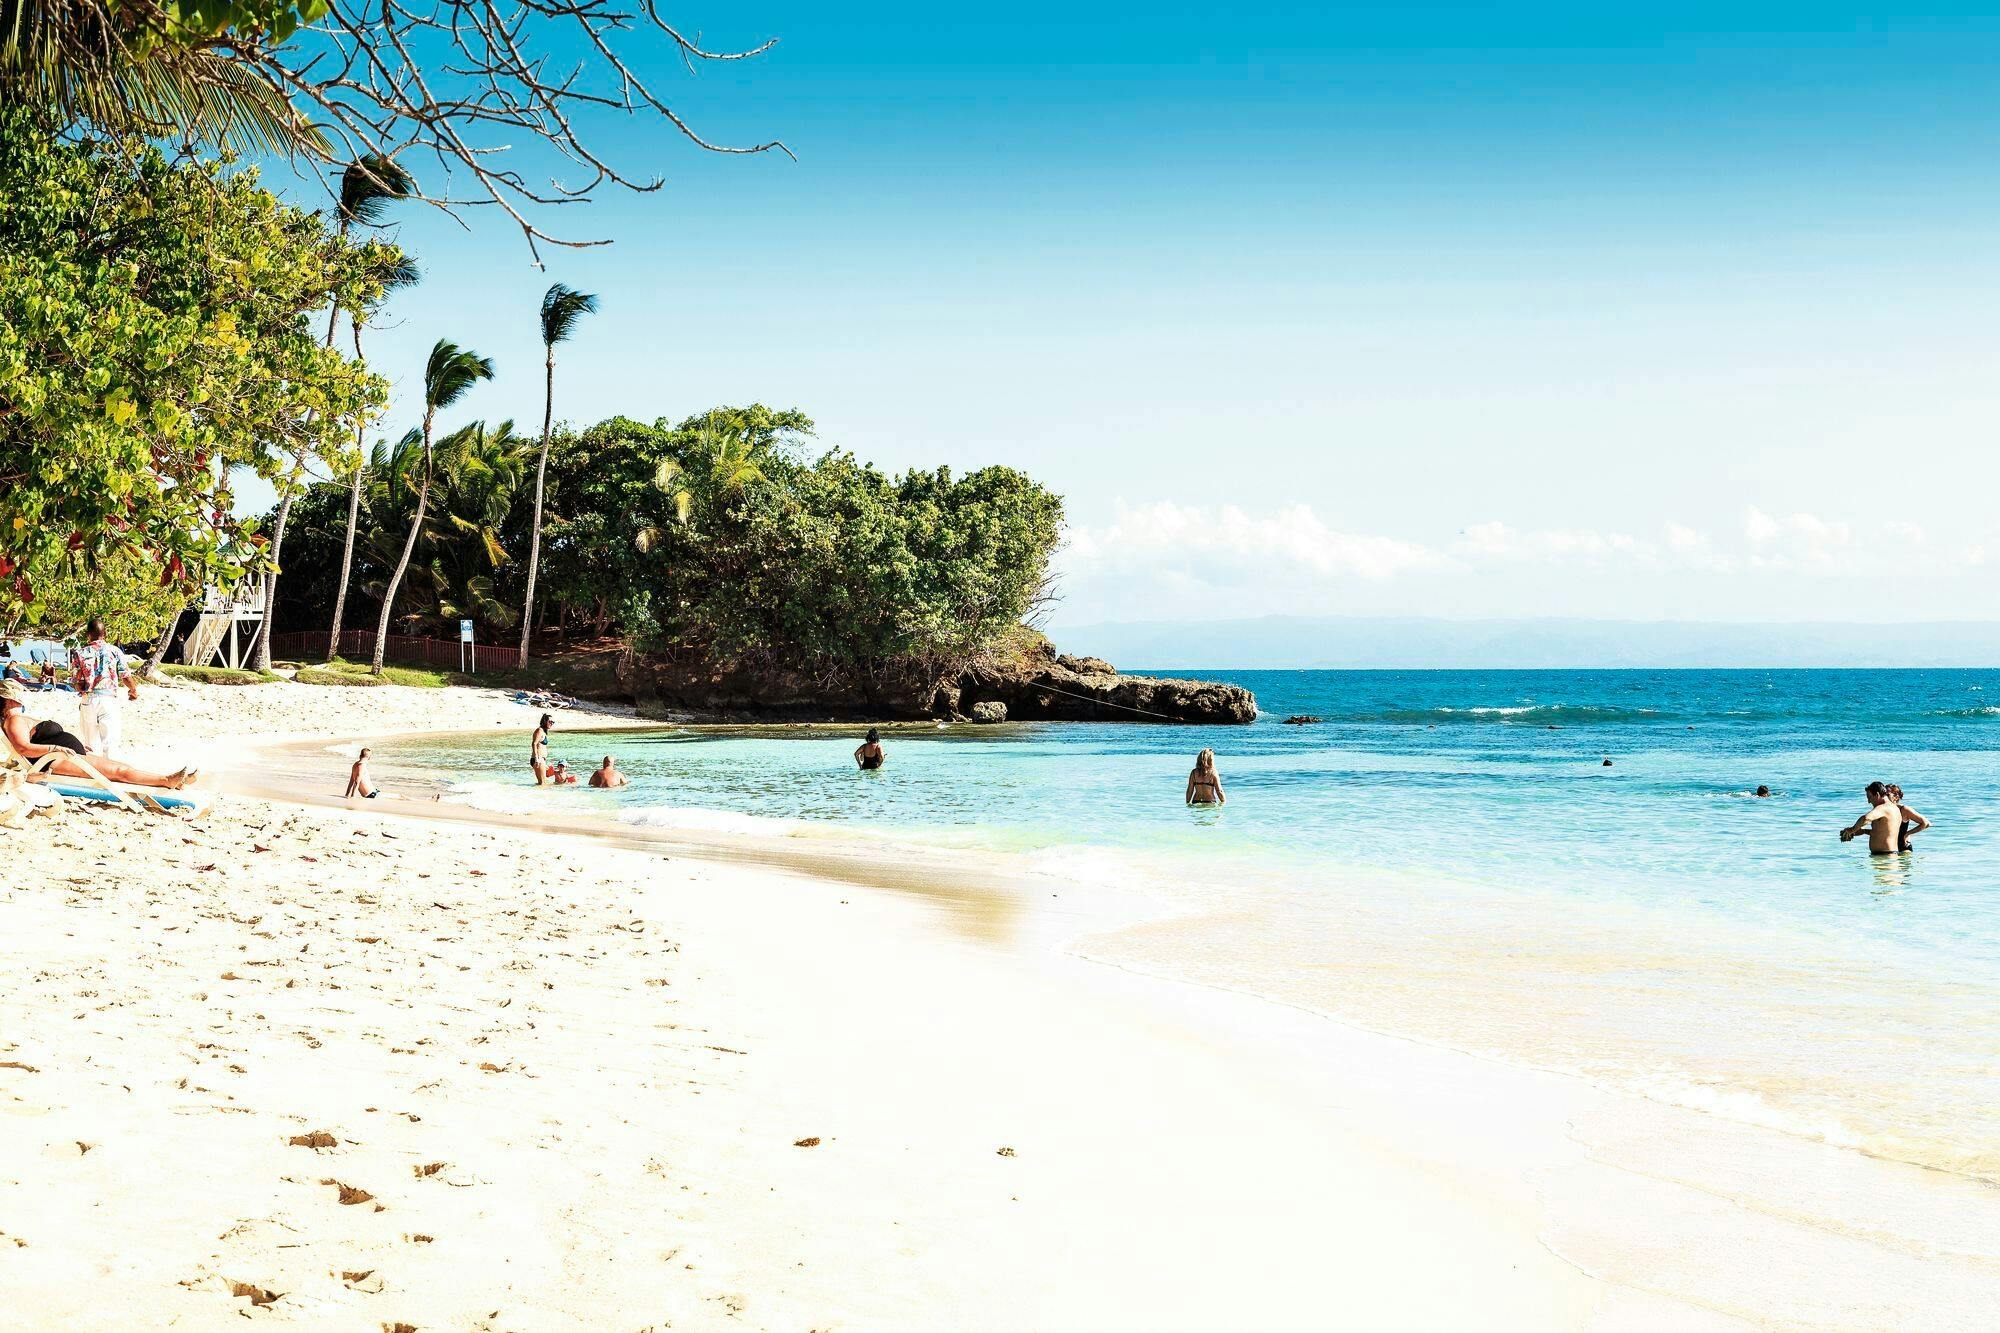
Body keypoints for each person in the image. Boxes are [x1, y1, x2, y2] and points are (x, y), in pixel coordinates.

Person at [0, 680, 196, 789]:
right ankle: (167, 781)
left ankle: (170, 781)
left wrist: (68, 745)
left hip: (64, 755)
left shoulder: (16, 719)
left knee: (121, 768)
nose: (21, 700)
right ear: (9, 700)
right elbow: (23, 748)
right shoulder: (14, 720)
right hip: (55, 759)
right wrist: (56, 747)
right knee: (119, 772)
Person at [71, 619, 139, 758]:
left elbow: (76, 683)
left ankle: (93, 774)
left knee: (90, 745)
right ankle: (111, 775)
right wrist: (133, 690)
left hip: (88, 700)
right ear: (105, 633)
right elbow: (125, 676)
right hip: (108, 700)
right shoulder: (115, 651)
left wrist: (84, 688)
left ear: (88, 634)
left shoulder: (79, 653)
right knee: (110, 743)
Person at [1840, 781, 1904, 856]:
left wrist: (1851, 830)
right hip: (1888, 855)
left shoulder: (1883, 808)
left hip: (1884, 856)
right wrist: (1863, 831)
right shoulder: (1893, 808)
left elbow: (1866, 818)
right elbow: (1884, 831)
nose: (1868, 801)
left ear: (1877, 794)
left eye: (1869, 797)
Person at [1886, 783, 1931, 852]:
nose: (1884, 797)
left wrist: (1907, 834)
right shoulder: (1885, 810)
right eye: (1883, 795)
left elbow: (1926, 823)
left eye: (1887, 795)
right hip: (1891, 848)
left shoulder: (1904, 810)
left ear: (1896, 797)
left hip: (1904, 848)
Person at [530, 713, 553, 785]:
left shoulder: (544, 731)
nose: (551, 723)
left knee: (544, 783)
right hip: (538, 759)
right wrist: (537, 759)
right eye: (550, 721)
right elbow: (534, 743)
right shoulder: (539, 730)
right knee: (543, 784)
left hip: (541, 759)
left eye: (553, 722)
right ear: (545, 721)